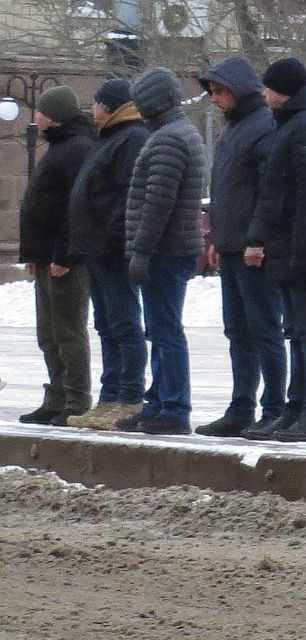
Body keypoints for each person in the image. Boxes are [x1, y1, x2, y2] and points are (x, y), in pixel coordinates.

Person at [245, 58, 306, 443]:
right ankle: (295, 408)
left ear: (283, 89)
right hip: (289, 244)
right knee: (297, 331)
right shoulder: (293, 123)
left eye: (269, 88)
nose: (264, 96)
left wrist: (302, 249)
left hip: (304, 248)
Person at [192, 56, 283, 436]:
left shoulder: (262, 127)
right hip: (232, 245)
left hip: (253, 249)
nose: (213, 98)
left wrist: (256, 239)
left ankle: (273, 407)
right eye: (211, 92)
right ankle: (241, 406)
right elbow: (227, 190)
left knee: (263, 328)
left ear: (238, 89)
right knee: (238, 330)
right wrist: (216, 238)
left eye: (219, 91)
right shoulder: (234, 129)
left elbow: (268, 190)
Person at [117, 67, 207, 436]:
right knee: (160, 328)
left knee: (165, 329)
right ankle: (160, 401)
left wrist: (141, 251)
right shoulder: (177, 134)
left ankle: (173, 406)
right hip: (172, 248)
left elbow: (157, 202)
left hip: (165, 251)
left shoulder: (168, 140)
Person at [64, 80, 147, 430]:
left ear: (110, 106)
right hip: (94, 247)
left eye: (96, 102)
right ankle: (110, 394)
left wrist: (111, 238)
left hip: (111, 248)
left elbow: (126, 195)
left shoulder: (131, 138)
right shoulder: (107, 138)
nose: (91, 108)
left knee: (124, 323)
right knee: (106, 324)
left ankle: (129, 396)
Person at [17, 85, 96, 425]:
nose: (35, 116)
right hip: (45, 255)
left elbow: (75, 209)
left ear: (53, 115)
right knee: (48, 332)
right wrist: (35, 255)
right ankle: (57, 396)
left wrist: (64, 255)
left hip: (63, 258)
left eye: (40, 111)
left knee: (67, 331)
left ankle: (76, 399)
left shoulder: (77, 149)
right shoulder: (60, 147)